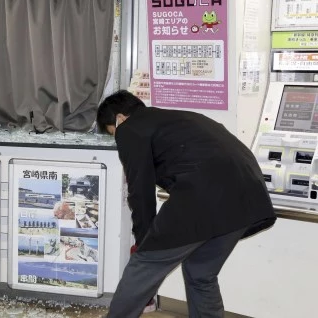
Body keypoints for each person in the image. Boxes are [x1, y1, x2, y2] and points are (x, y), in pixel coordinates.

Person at [97, 90, 276, 318]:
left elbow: (140, 190)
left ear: (120, 118)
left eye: (113, 132)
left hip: (205, 195)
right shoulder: (179, 119)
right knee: (200, 273)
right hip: (248, 197)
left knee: (143, 265)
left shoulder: (130, 128)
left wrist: (144, 242)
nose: (117, 136)